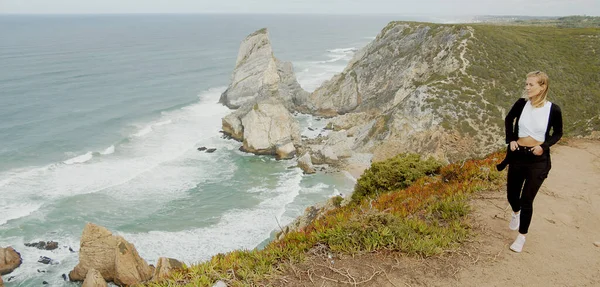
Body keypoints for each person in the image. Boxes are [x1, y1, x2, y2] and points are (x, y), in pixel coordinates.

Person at [500, 71, 563, 253]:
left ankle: (521, 237)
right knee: (512, 195)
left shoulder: (553, 109)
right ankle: (515, 213)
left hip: (538, 160)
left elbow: (557, 133)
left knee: (527, 199)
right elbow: (508, 119)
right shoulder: (521, 104)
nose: (527, 88)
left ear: (542, 87)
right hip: (518, 155)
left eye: (531, 85)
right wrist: (511, 139)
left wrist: (544, 146)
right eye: (526, 84)